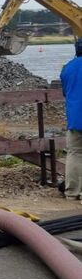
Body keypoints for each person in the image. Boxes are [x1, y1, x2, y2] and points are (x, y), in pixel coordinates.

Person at [61, 38, 82, 203]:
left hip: (75, 119)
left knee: (75, 154)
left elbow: (65, 92)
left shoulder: (67, 68)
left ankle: (72, 192)